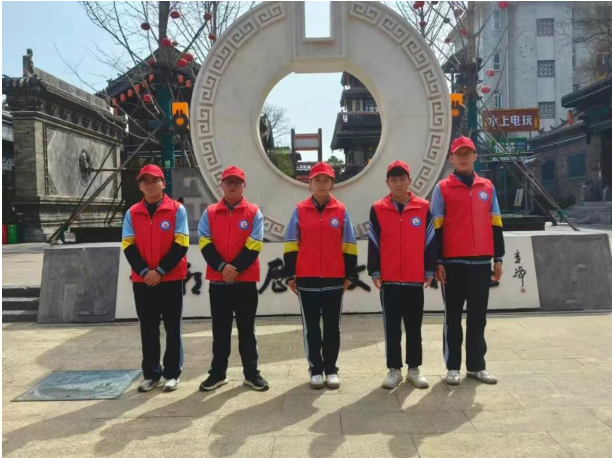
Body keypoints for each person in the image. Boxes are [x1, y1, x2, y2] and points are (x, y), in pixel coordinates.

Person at [430, 136, 505, 386]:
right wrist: (438, 261)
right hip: (453, 264)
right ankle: (453, 367)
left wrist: (498, 258)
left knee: (478, 317)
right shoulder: (442, 189)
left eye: (467, 153)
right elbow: (436, 227)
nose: (463, 158)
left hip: (482, 263)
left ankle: (476, 366)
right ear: (451, 158)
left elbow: (496, 223)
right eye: (458, 154)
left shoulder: (488, 187)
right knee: (452, 317)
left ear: (475, 156)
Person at [283, 162, 358, 390]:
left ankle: (331, 369)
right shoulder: (299, 210)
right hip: (306, 278)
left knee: (332, 327)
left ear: (332, 184)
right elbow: (291, 243)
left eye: (326, 180)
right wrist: (290, 274)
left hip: (335, 279)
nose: (322, 184)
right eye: (317, 180)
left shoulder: (341, 210)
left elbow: (349, 244)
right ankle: (315, 370)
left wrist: (350, 274)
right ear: (310, 184)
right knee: (312, 328)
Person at [197, 165, 268, 392]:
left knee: (247, 330)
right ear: (222, 185)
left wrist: (233, 269)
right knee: (220, 331)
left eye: (237, 182)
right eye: (228, 182)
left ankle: (251, 374)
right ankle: (218, 374)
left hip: (245, 282)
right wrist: (221, 267)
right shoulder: (210, 212)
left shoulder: (254, 212)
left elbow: (254, 244)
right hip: (218, 283)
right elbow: (204, 242)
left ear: (244, 185)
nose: (232, 185)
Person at [368, 160, 436, 389]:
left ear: (410, 181)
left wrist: (429, 268)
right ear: (387, 182)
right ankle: (394, 370)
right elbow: (374, 242)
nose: (398, 183)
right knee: (392, 327)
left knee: (414, 326)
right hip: (388, 279)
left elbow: (430, 241)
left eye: (402, 179)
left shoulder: (423, 207)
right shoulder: (378, 208)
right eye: (394, 179)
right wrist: (374, 270)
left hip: (414, 278)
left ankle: (414, 369)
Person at [121, 164, 189, 392]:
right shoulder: (132, 213)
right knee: (148, 329)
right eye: (145, 181)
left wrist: (159, 271)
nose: (150, 185)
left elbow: (181, 243)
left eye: (155, 180)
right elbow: (128, 246)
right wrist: (145, 272)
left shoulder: (177, 210)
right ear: (140, 186)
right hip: (143, 282)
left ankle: (172, 374)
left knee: (172, 328)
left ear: (163, 184)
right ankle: (151, 374)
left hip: (171, 279)